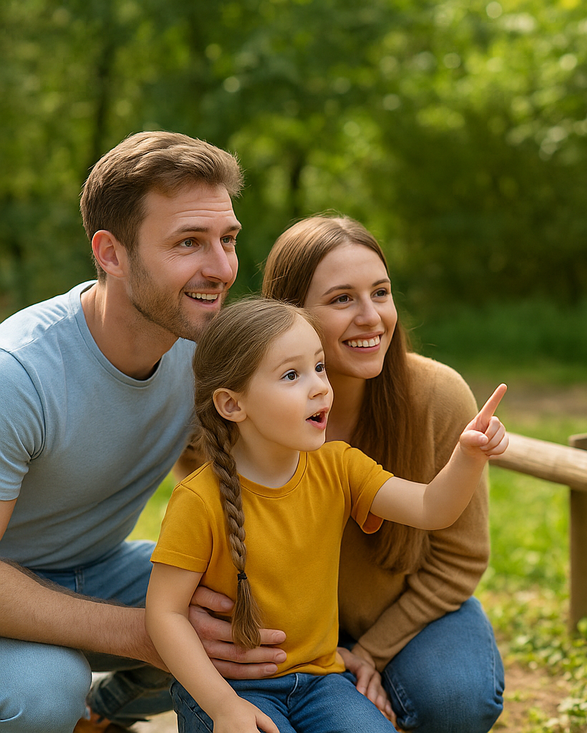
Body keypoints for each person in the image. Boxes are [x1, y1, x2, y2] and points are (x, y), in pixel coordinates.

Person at [0, 131, 283, 733]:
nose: (222, 268)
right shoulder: (18, 374)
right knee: (46, 691)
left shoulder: (202, 352)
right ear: (111, 253)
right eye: (188, 242)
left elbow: (221, 480)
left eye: (227, 240)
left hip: (95, 566)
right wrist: (151, 631)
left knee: (243, 609)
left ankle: (101, 718)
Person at [145, 297, 509, 733]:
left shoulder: (339, 466)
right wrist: (222, 706)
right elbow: (164, 614)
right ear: (232, 404)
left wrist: (469, 456)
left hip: (321, 681)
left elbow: (432, 508)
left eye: (319, 367)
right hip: (231, 685)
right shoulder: (199, 499)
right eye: (292, 375)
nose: (320, 386)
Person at [261, 215, 506, 732]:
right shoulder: (250, 409)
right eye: (342, 299)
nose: (372, 317)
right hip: (288, 629)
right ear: (289, 315)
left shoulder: (436, 397)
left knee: (458, 699)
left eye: (381, 292)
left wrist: (370, 652)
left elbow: (459, 558)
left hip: (409, 613)